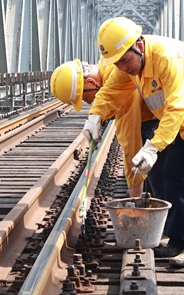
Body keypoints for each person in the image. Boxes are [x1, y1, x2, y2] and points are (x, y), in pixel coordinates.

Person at [82, 16, 184, 268]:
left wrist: (152, 147)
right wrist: (95, 116)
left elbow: (176, 107)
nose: (122, 67)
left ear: (139, 46)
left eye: (125, 60)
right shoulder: (130, 66)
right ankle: (179, 238)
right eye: (117, 63)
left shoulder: (168, 58)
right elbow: (111, 91)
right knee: (172, 175)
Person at [50, 59, 165, 199]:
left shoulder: (122, 91)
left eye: (86, 97)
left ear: (91, 83)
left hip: (172, 119)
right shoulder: (109, 65)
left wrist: (134, 200)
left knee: (162, 178)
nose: (89, 102)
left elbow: (131, 146)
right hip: (157, 116)